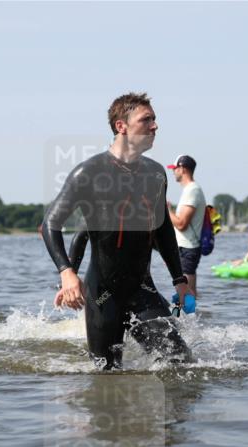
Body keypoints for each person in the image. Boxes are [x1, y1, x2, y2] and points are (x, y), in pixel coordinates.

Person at [43, 92, 194, 370]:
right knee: (107, 372)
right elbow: (51, 224)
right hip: (103, 294)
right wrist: (67, 273)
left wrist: (179, 279)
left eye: (154, 119)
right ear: (121, 126)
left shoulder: (155, 174)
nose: (155, 125)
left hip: (142, 289)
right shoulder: (89, 173)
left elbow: (162, 230)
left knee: (181, 364)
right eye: (146, 119)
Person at [165, 155, 206, 298]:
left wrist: (166, 210)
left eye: (175, 168)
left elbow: (181, 224)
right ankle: (192, 312)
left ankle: (191, 313)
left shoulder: (192, 190)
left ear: (182, 169)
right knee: (188, 293)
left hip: (188, 248)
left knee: (188, 293)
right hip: (185, 247)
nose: (173, 171)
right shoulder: (189, 190)